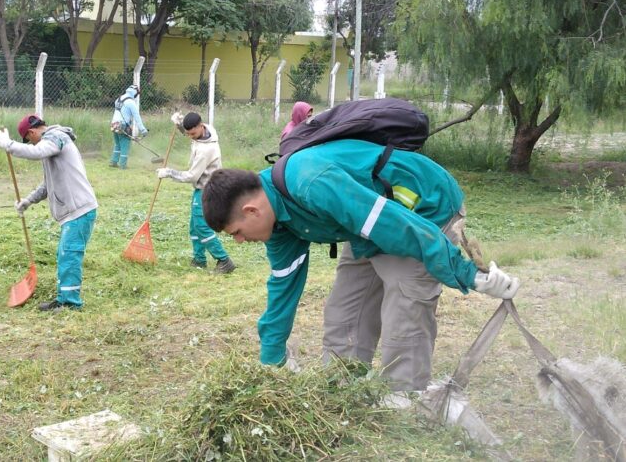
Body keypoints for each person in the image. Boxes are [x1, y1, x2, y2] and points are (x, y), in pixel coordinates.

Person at [200, 141, 520, 392]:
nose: (240, 242)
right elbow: (282, 292)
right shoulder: (279, 224)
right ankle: (342, 386)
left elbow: (397, 225)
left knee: (405, 297)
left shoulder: (311, 184)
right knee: (344, 311)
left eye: (237, 234)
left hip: (423, 206)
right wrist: (271, 364)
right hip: (364, 223)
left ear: (251, 210)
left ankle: (403, 397)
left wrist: (468, 274)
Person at [0, 114, 98, 312]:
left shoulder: (57, 137)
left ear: (32, 132)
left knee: (69, 255)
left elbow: (35, 152)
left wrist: (9, 145)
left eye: (28, 139)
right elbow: (47, 184)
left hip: (80, 209)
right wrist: (28, 201)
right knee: (65, 254)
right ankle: (64, 298)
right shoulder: (51, 145)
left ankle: (70, 303)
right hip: (73, 211)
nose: (30, 143)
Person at [156, 112, 236, 274]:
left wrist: (169, 172)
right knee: (194, 227)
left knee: (202, 226)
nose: (191, 137)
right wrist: (179, 124)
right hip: (202, 188)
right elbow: (190, 131)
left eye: (192, 133)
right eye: (188, 134)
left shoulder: (206, 150)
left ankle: (224, 260)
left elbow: (192, 175)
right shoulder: (205, 130)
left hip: (210, 190)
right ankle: (199, 259)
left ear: (200, 126)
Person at [109, 85, 149, 169]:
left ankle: (113, 161)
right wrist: (143, 130)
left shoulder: (118, 99)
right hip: (122, 125)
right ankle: (123, 165)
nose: (137, 95)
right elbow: (136, 117)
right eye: (137, 93)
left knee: (117, 144)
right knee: (125, 145)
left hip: (113, 124)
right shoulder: (131, 102)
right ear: (134, 92)